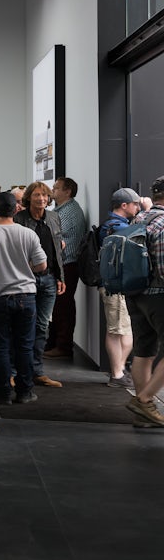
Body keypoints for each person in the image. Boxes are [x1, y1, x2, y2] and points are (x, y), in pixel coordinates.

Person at [0, 191, 47, 404]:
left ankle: (2, 393)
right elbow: (42, 265)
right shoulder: (28, 234)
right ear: (16, 209)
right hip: (26, 296)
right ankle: (25, 391)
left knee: (1, 345)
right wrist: (24, 267)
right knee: (25, 345)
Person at [13, 181, 65, 388]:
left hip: (49, 278)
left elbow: (57, 251)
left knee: (42, 326)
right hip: (26, 279)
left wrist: (61, 277)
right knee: (22, 325)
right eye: (36, 195)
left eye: (44, 196)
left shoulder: (53, 217)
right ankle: (16, 372)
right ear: (29, 198)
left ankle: (37, 371)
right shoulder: (19, 219)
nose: (41, 199)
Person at [125, 177, 164, 426]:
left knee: (143, 350)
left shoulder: (139, 218)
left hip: (135, 294)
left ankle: (144, 414)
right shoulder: (162, 223)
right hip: (158, 296)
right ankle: (145, 398)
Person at [99, 188, 142, 389]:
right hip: (115, 287)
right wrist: (145, 215)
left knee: (123, 330)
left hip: (117, 286)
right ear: (124, 205)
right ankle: (117, 374)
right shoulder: (115, 227)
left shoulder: (114, 225)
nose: (138, 207)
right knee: (116, 330)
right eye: (135, 204)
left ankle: (119, 369)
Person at [44, 176, 85, 359]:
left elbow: (56, 237)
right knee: (58, 306)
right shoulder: (62, 210)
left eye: (56, 188)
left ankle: (63, 346)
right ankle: (53, 343)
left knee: (63, 306)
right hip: (62, 264)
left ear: (67, 191)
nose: (53, 191)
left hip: (67, 264)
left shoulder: (69, 212)